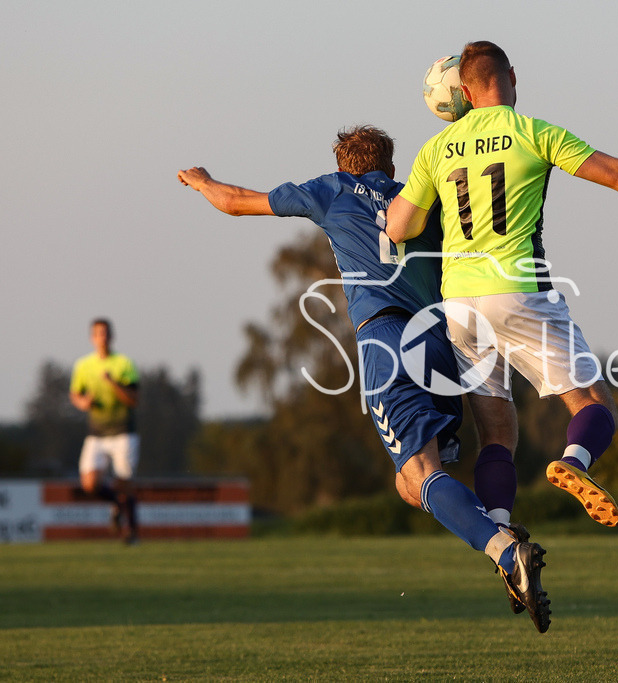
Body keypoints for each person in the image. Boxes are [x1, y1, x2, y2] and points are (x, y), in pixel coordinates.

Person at [177, 125, 551, 633]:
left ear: (342, 164)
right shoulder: (420, 196)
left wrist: (203, 182)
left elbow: (237, 202)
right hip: (439, 341)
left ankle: (505, 551)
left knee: (419, 474)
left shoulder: (332, 190)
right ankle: (494, 528)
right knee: (409, 481)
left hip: (387, 341)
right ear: (391, 167)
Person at [386, 41, 618, 529]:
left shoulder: (435, 149)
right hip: (517, 291)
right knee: (596, 405)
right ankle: (574, 461)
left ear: (464, 92)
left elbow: (398, 228)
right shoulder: (532, 133)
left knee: (496, 433)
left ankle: (502, 536)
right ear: (512, 75)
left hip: (459, 307)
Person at [69, 318, 141, 544]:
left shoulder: (124, 364)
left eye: (106, 333)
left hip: (122, 431)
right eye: (98, 334)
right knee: (89, 484)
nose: (103, 338)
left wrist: (112, 383)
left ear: (112, 336)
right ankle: (116, 504)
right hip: (97, 432)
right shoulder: (83, 365)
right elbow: (75, 394)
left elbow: (133, 399)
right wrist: (83, 403)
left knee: (124, 483)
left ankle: (131, 532)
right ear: (92, 338)